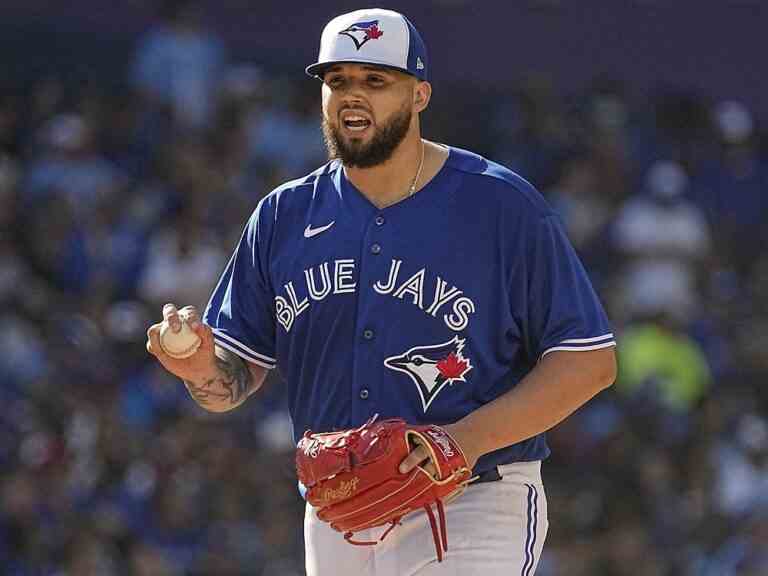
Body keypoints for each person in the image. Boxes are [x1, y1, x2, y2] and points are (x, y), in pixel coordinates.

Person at [146, 8, 617, 575]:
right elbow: (232, 382)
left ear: (419, 95)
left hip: (471, 499)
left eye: (376, 80)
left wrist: (461, 441)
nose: (352, 96)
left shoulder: (498, 206)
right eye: (337, 80)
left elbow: (589, 361)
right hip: (337, 511)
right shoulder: (283, 216)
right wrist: (201, 367)